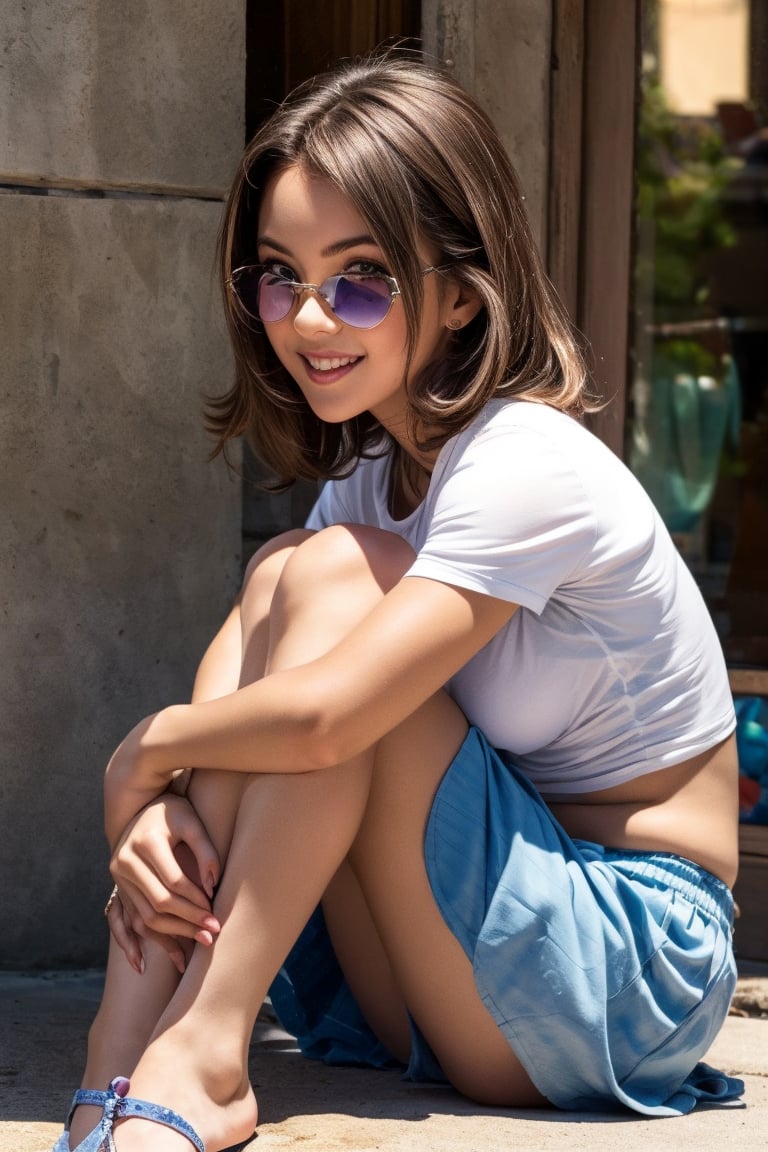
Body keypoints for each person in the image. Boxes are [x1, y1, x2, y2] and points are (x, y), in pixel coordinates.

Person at [54, 50, 745, 1152]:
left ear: (465, 296)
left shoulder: (529, 462)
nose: (312, 319)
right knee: (290, 567)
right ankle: (130, 1037)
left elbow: (328, 719)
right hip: (449, 968)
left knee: (321, 588)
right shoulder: (367, 480)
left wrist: (139, 755)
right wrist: (159, 807)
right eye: (279, 275)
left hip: (627, 970)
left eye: (362, 278)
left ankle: (201, 1046)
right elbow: (256, 707)